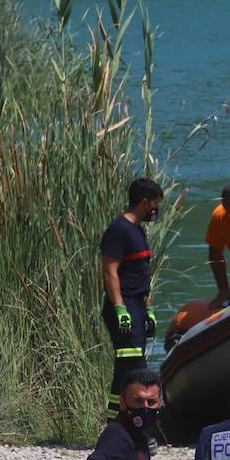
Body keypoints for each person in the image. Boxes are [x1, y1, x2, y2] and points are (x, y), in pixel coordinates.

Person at [100, 178, 164, 420]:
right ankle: (123, 421)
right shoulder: (119, 230)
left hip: (137, 305)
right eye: (155, 203)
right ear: (144, 202)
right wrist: (120, 309)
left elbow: (141, 274)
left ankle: (123, 421)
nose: (156, 209)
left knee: (131, 368)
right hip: (124, 306)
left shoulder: (137, 230)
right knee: (132, 368)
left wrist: (148, 309)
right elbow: (110, 271)